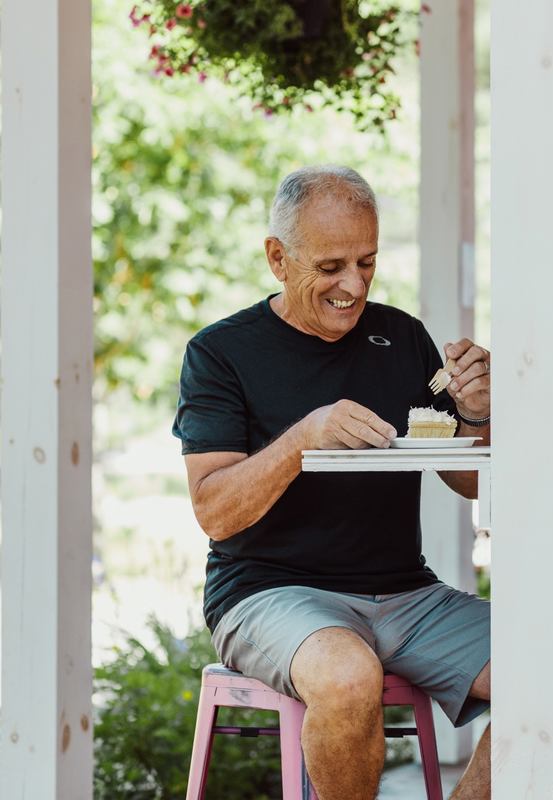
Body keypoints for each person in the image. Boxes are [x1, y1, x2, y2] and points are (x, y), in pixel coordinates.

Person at [172, 165, 492, 800]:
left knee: (552, 654)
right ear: (276, 258)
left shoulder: (400, 335)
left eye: (367, 263)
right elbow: (214, 511)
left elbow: (468, 479)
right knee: (347, 676)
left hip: (406, 594)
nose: (354, 285)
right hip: (269, 592)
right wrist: (301, 438)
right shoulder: (219, 353)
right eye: (331, 267)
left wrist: (478, 413)